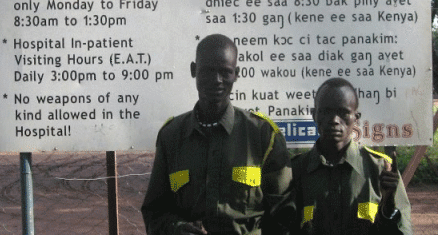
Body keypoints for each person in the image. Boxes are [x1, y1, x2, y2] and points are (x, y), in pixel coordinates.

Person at [142, 34, 294, 235]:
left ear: (236, 74)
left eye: (225, 72)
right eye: (207, 71)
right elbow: (155, 211)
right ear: (193, 70)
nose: (216, 80)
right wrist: (175, 229)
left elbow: (285, 215)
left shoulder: (262, 135)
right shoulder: (171, 136)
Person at [292, 77, 412, 235]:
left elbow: (403, 231)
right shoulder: (295, 170)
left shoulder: (380, 169)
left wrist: (388, 206)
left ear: (356, 118)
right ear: (315, 115)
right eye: (326, 112)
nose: (334, 120)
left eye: (343, 113)